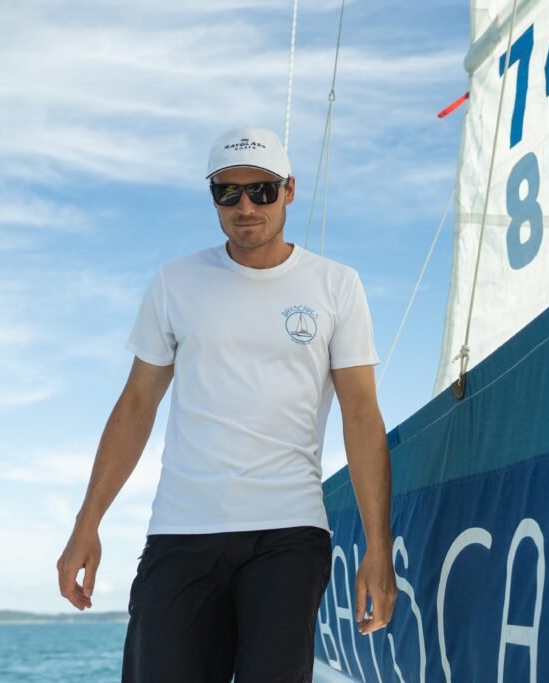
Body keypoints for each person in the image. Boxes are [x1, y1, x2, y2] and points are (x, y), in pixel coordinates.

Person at [56, 126, 397, 682]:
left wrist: (377, 550)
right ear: (212, 196)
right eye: (228, 192)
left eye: (261, 191)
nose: (245, 207)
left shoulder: (336, 286)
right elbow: (137, 403)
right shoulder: (175, 283)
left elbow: (361, 414)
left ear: (289, 191)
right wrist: (86, 524)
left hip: (289, 532)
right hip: (181, 530)